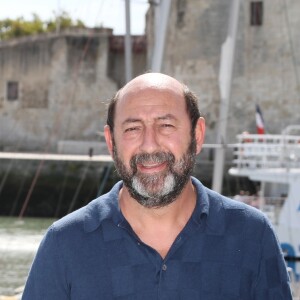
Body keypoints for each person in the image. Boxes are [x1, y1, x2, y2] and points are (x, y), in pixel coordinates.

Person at [22, 73, 292, 299]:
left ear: (197, 136)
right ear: (111, 141)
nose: (149, 144)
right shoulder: (65, 244)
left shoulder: (253, 236)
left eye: (166, 125)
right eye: (132, 129)